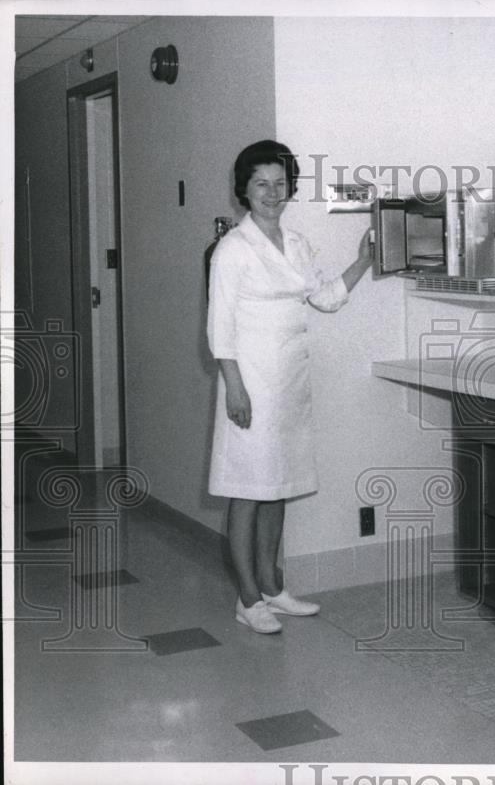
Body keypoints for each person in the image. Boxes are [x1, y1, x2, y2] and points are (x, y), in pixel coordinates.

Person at [207, 139, 371, 633]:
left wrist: (364, 259)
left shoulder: (296, 243)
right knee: (247, 490)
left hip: (289, 382)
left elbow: (323, 298)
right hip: (250, 383)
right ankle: (247, 597)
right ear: (245, 190)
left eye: (280, 184)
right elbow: (220, 328)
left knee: (276, 486)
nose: (272, 193)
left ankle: (273, 588)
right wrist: (235, 389)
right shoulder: (232, 250)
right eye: (261, 184)